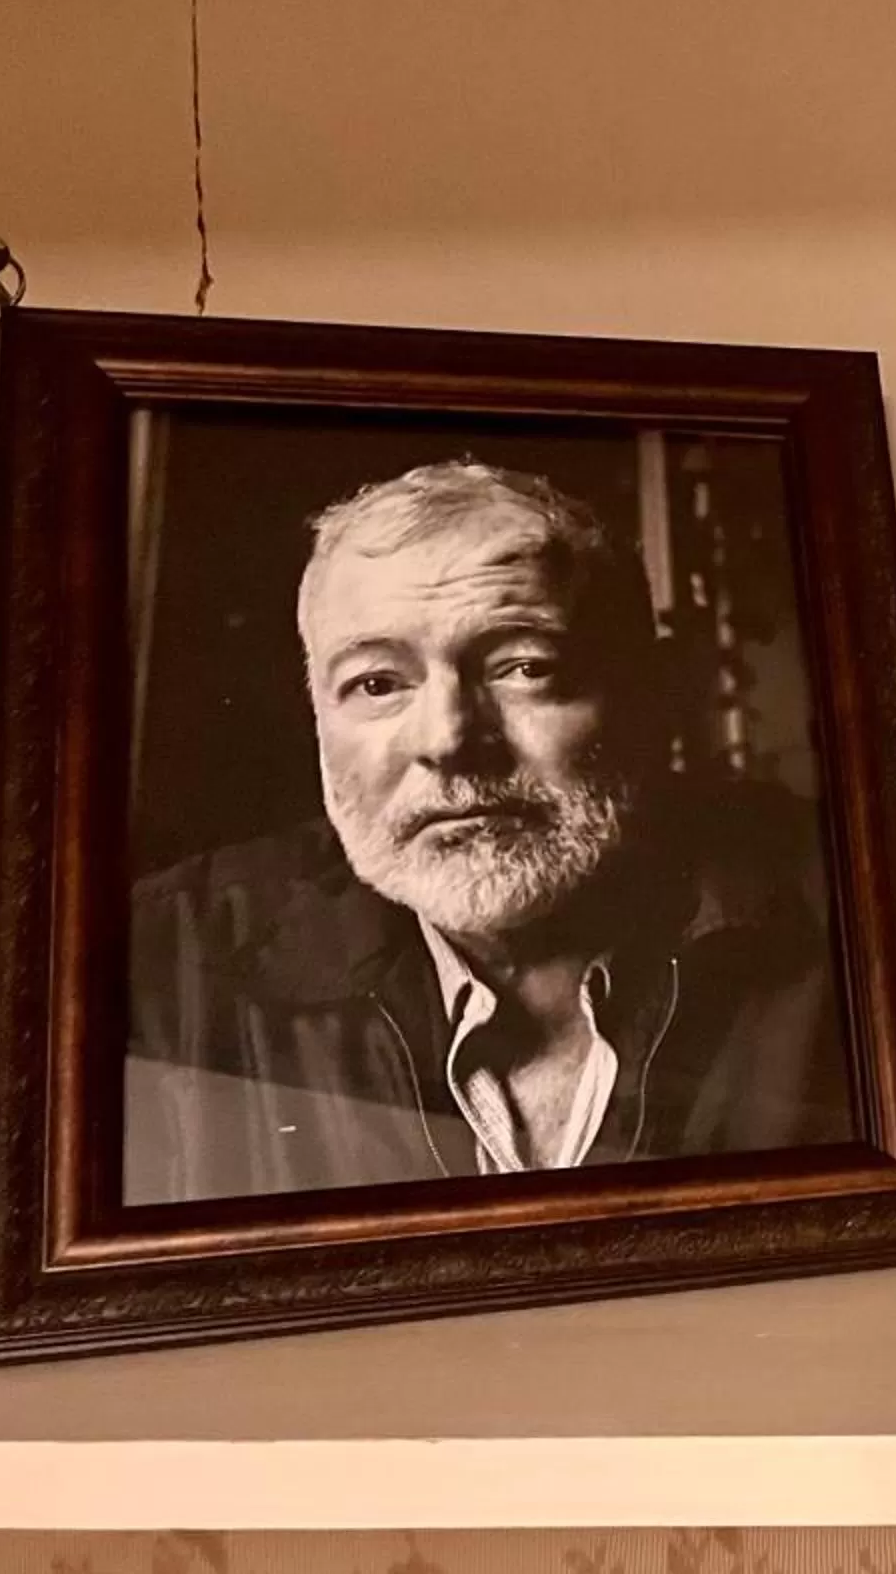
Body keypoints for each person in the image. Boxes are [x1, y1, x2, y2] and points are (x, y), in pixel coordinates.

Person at [124, 457, 854, 1205]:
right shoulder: (149, 970)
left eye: (524, 666)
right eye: (377, 684)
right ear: (317, 719)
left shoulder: (857, 914)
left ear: (659, 694)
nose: (447, 738)